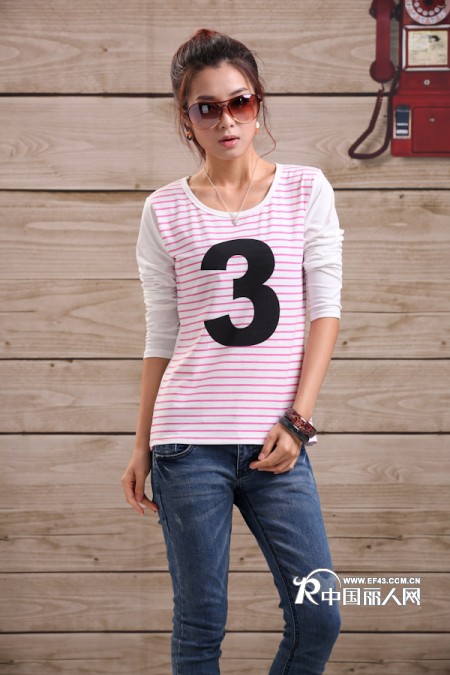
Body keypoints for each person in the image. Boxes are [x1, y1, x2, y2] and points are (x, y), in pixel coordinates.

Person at [121, 28, 344, 675]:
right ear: (185, 116)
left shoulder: (306, 190)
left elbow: (325, 312)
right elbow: (161, 336)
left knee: (319, 613)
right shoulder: (164, 210)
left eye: (239, 102)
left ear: (258, 103)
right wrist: (141, 446)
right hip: (187, 443)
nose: (227, 120)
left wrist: (298, 421)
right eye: (207, 107)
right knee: (201, 624)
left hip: (278, 439)